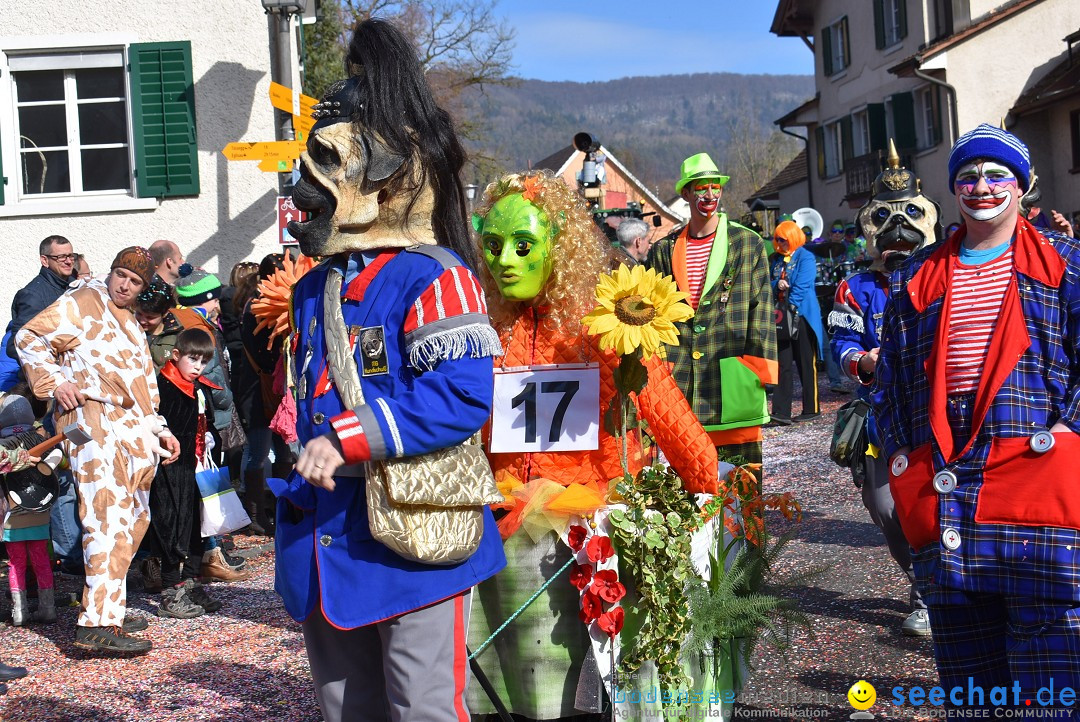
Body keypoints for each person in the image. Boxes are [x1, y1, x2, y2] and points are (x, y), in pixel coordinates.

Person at [276, 19, 507, 721]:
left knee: (422, 712)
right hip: (329, 536)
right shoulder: (314, 287)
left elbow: (462, 397)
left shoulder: (433, 276)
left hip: (411, 537)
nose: (300, 194)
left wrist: (347, 437)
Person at [468, 171, 718, 720]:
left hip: (588, 523)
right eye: (493, 245)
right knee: (512, 680)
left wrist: (706, 492)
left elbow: (665, 410)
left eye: (523, 245)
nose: (504, 260)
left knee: (597, 673)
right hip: (502, 523)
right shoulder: (481, 328)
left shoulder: (607, 323)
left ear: (560, 245)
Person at [874, 124, 1080, 700]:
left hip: (1035, 464)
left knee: (1052, 665)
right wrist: (898, 452)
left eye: (996, 175)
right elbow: (888, 377)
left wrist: (1069, 432)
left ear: (1022, 185)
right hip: (944, 475)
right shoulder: (916, 274)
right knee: (968, 673)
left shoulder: (1067, 261)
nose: (981, 186)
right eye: (967, 176)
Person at [15, 246, 180, 654]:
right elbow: (29, 336)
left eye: (135, 280)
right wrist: (56, 381)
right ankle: (97, 623)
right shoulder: (82, 299)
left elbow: (142, 385)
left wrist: (160, 428)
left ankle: (110, 607)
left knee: (132, 521)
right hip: (91, 423)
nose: (125, 283)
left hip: (132, 432)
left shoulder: (130, 321)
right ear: (111, 272)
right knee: (105, 518)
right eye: (121, 274)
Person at [829, 142, 939, 637]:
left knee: (937, 502)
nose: (898, 231)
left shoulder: (944, 275)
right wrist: (862, 359)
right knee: (887, 508)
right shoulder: (855, 288)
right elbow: (841, 342)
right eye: (886, 219)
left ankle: (933, 594)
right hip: (879, 414)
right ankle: (920, 579)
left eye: (909, 216)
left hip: (939, 413)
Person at [646, 153, 777, 470]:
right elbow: (652, 316)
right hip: (678, 379)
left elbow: (761, 310)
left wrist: (761, 371)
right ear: (686, 194)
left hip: (733, 373)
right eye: (700, 188)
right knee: (686, 479)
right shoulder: (663, 250)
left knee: (738, 479)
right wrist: (655, 371)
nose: (709, 195)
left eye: (714, 187)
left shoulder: (747, 243)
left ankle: (738, 523)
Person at [146, 327, 223, 618]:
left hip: (196, 465)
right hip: (170, 468)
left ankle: (190, 582)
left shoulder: (198, 387)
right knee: (170, 525)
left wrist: (210, 434)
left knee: (196, 526)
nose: (198, 367)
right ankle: (169, 589)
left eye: (203, 362)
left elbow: (206, 419)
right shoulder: (163, 387)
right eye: (193, 360)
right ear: (176, 355)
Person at [0, 392, 53, 627]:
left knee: (16, 563)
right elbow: (58, 462)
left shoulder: (3, 445)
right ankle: (48, 608)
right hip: (40, 512)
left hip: (12, 515)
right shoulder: (40, 441)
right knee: (42, 560)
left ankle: (19, 612)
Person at [768, 220, 823, 424]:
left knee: (806, 362)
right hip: (781, 316)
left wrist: (790, 304)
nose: (779, 243)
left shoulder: (806, 257)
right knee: (783, 364)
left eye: (783, 239)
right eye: (777, 239)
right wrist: (777, 284)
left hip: (802, 316)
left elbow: (803, 285)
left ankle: (812, 408)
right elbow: (767, 281)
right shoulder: (774, 259)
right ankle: (781, 412)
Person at [5, 235, 77, 361]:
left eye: (71, 256)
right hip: (49, 376)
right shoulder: (32, 296)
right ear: (45, 260)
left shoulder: (75, 286)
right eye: (61, 257)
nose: (68, 261)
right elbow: (16, 346)